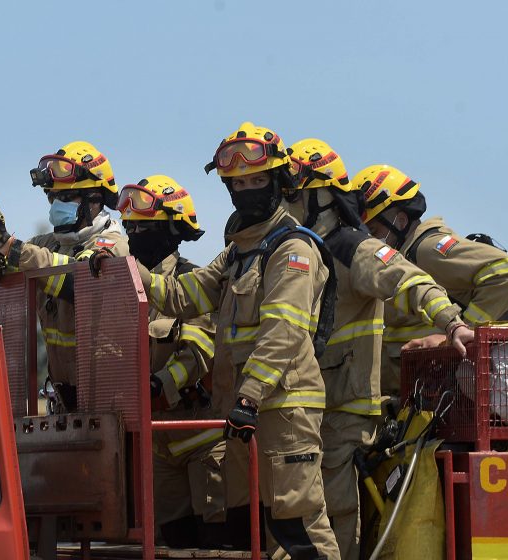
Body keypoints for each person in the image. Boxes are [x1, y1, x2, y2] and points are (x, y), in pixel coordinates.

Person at [127, 122, 340, 559]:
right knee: (263, 531)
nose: (246, 191)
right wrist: (125, 269)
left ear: (280, 182)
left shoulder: (291, 249)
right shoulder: (239, 251)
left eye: (257, 180)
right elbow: (184, 295)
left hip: (280, 409)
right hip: (246, 414)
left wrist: (249, 397)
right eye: (237, 184)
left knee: (297, 525)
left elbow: (283, 333)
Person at [283, 140, 474, 560]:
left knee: (335, 517)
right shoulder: (297, 251)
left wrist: (453, 323)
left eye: (292, 192)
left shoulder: (355, 248)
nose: (285, 202)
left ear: (322, 194)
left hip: (344, 412)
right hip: (305, 409)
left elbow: (410, 280)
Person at [0, 140, 130, 412]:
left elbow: (78, 279)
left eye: (65, 198)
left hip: (107, 402)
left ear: (94, 199)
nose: (56, 206)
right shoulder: (47, 243)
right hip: (63, 402)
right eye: (52, 197)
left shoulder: (111, 244)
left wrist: (8, 247)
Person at [355, 164, 508, 395]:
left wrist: (460, 333)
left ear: (400, 221)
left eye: (375, 231)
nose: (373, 240)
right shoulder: (403, 259)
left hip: (451, 383)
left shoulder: (426, 249)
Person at [118, 174, 225, 547]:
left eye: (143, 227)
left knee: (214, 540)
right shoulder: (123, 288)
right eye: (128, 227)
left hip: (200, 439)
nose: (133, 236)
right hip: (156, 443)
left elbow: (199, 351)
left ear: (171, 230)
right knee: (172, 543)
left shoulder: (192, 282)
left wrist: (160, 384)